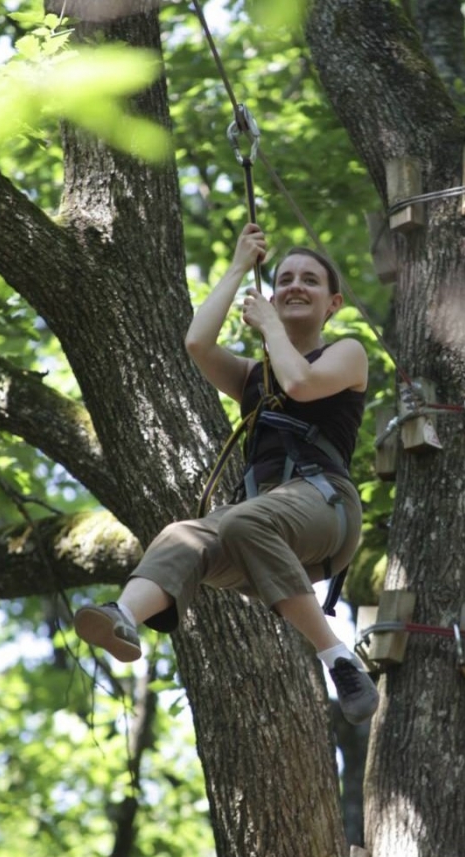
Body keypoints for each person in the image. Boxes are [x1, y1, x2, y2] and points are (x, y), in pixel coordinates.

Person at [73, 222, 380, 726]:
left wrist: (270, 327)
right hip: (265, 534)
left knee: (240, 521)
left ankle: (336, 657)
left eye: (309, 280)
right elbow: (197, 343)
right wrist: (239, 265)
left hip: (325, 509)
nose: (294, 286)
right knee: (182, 535)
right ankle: (124, 617)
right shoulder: (253, 376)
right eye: (284, 280)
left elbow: (301, 384)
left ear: (333, 304)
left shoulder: (346, 353)